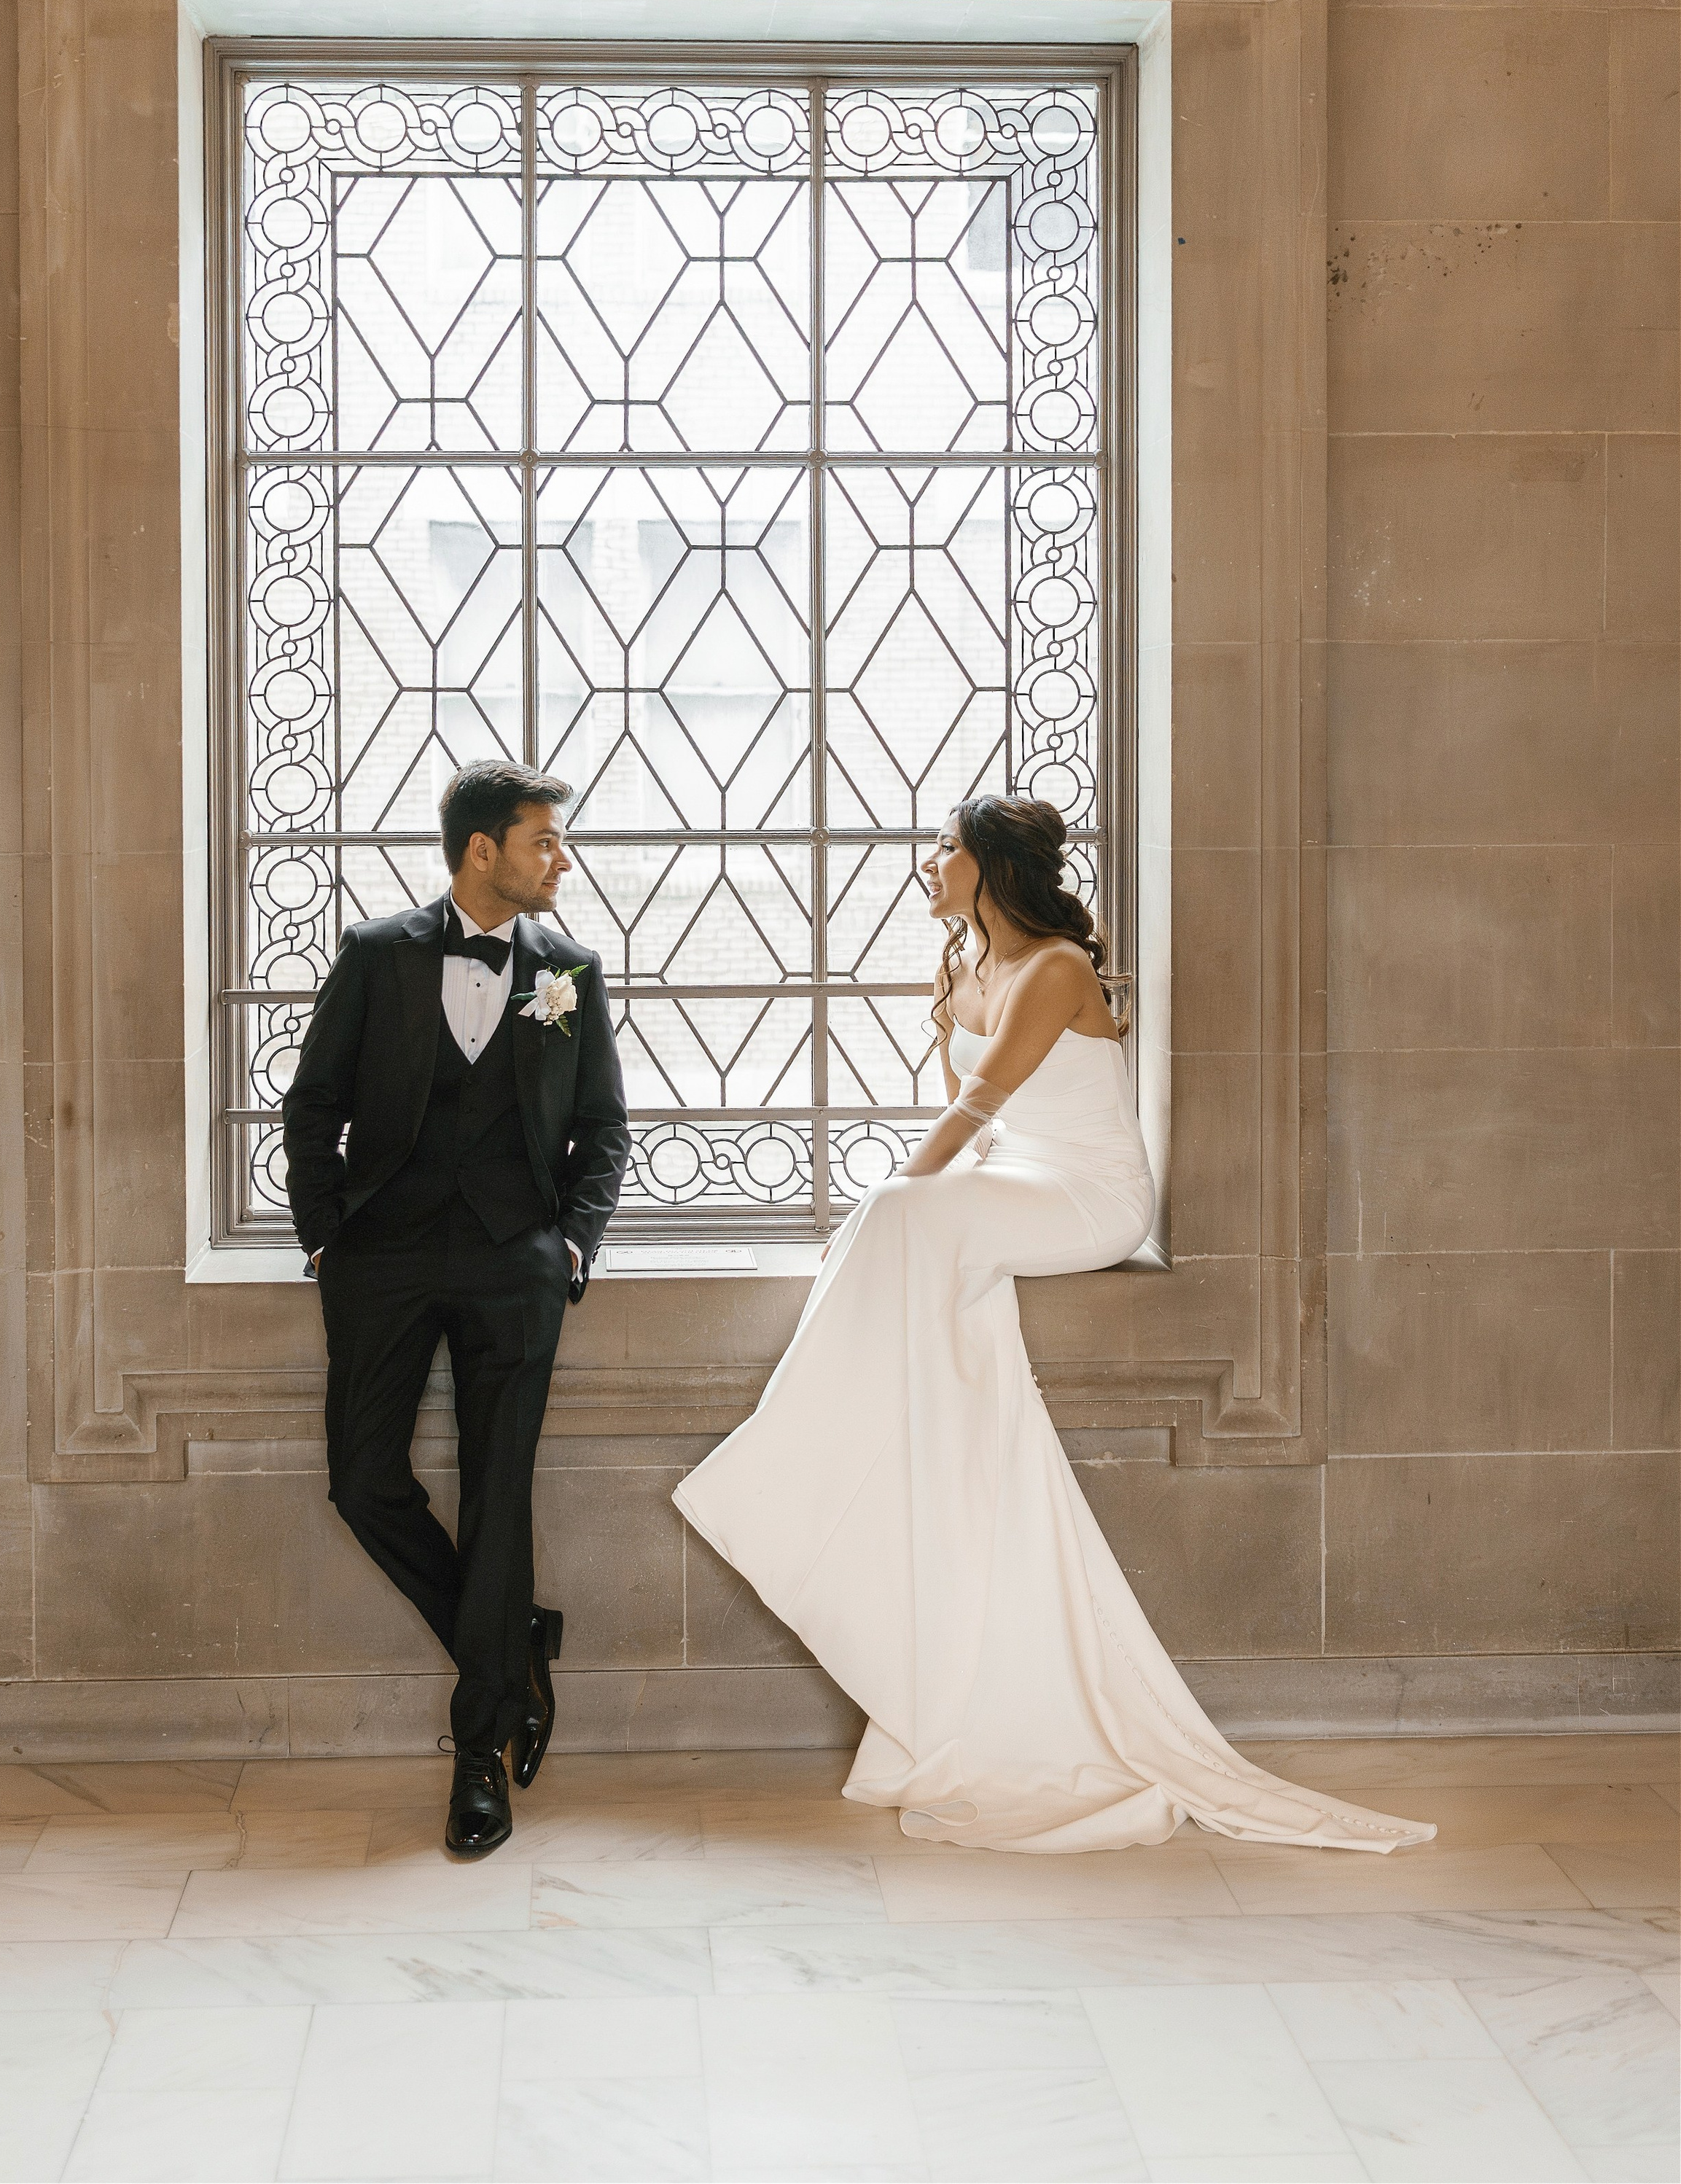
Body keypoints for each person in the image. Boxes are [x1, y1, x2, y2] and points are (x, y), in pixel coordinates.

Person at [675, 794, 1434, 1857]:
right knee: (908, 1233)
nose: (927, 861)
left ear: (989, 867)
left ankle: (800, 1434)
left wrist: (894, 1195)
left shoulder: (1057, 970)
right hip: (1011, 1180)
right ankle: (861, 1427)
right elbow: (970, 1126)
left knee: (898, 1215)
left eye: (945, 848)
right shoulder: (966, 968)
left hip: (1085, 1193)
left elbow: (975, 1108)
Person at [282, 760, 630, 1859]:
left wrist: (570, 1242)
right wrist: (326, 1235)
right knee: (362, 1477)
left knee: (499, 1492)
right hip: (382, 1255)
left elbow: (604, 1127)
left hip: (513, 1263)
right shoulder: (376, 954)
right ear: (482, 849)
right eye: (545, 841)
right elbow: (314, 1101)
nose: (561, 859)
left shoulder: (570, 969)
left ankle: (479, 1753)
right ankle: (509, 1634)